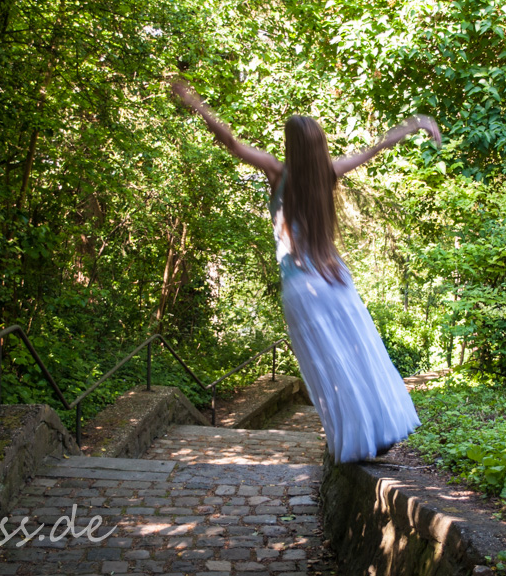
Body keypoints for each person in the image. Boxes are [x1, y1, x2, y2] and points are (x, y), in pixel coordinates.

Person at [171, 81, 441, 463]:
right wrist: (416, 123)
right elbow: (375, 148)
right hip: (336, 282)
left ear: (291, 146)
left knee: (329, 368)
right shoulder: (329, 172)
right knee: (362, 356)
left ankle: (355, 439)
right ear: (319, 145)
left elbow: (231, 143)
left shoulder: (277, 173)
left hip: (302, 290)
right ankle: (380, 431)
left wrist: (196, 103)